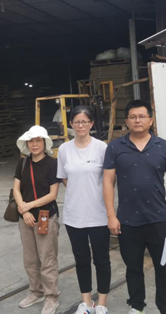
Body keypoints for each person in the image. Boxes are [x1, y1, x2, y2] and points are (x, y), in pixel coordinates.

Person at [103, 100, 166, 314]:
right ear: (127, 121)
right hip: (128, 220)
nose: (137, 120)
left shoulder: (163, 146)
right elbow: (108, 182)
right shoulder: (115, 147)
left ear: (150, 120)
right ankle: (137, 306)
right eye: (133, 117)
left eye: (142, 116)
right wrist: (111, 216)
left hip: (158, 219)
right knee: (133, 268)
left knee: (163, 267)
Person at [57, 106, 111, 314]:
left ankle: (102, 303)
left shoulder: (101, 148)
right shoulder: (64, 149)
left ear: (91, 124)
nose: (81, 125)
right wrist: (79, 191)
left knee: (102, 259)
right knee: (81, 260)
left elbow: (109, 179)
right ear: (71, 124)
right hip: (74, 215)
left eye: (85, 121)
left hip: (98, 214)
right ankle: (86, 303)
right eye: (77, 122)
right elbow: (64, 177)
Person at [14, 125, 61, 314]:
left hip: (45, 217)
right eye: (31, 141)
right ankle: (36, 291)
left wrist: (29, 206)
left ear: (44, 143)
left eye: (38, 140)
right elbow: (16, 189)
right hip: (25, 218)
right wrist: (24, 211)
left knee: (47, 258)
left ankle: (51, 297)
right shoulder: (23, 163)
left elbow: (53, 194)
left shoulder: (52, 164)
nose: (34, 144)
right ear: (27, 144)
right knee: (30, 258)